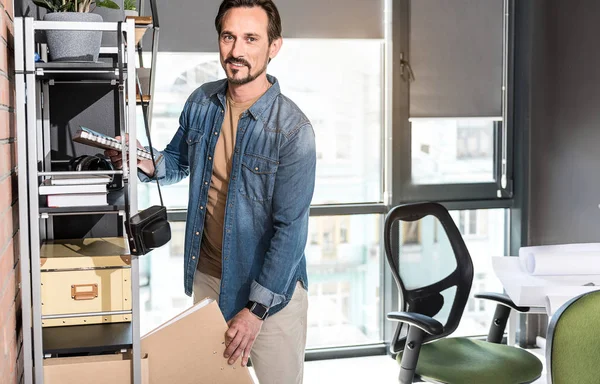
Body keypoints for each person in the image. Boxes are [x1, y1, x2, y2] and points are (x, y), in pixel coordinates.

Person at [106, 1, 316, 383]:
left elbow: (292, 231)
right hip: (208, 277)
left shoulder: (293, 130)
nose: (237, 51)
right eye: (228, 36)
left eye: (251, 38)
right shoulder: (201, 101)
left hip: (268, 294)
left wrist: (255, 311)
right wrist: (139, 158)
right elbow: (175, 161)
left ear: (274, 46)